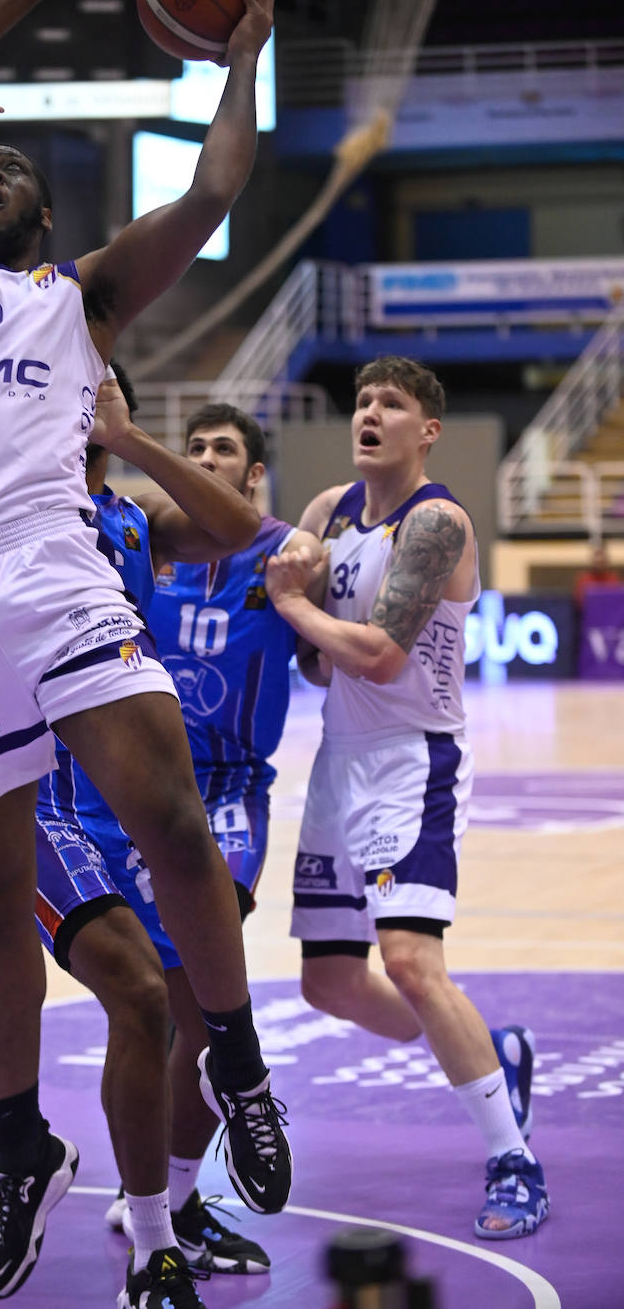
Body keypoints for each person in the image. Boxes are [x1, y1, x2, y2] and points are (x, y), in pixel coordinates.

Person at [0, 0, 288, 1303]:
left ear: (45, 225)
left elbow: (215, 185)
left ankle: (226, 1048)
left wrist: (241, 55)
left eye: (9, 176)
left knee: (165, 813)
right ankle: (17, 1146)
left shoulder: (82, 298)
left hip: (50, 559)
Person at [0, 393, 325, 1294]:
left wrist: (129, 436)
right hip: (50, 803)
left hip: (177, 798)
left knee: (161, 1006)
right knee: (131, 990)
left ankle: (154, 1234)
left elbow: (239, 525)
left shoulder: (137, 522)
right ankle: (3, 1113)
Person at [265, 354, 550, 1241]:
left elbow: (380, 655)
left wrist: (291, 602)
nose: (369, 413)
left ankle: (513, 1159)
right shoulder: (326, 513)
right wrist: (299, 608)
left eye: (390, 404)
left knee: (414, 965)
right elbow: (316, 660)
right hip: (339, 757)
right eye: (361, 401)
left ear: (426, 430)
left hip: (411, 760)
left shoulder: (437, 524)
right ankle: (491, 1054)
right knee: (329, 984)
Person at [573, 540, 620, 611]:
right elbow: (579, 602)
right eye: (596, 556)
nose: (599, 560)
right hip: (591, 616)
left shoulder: (613, 578)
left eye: (601, 556)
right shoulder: (584, 579)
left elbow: (617, 601)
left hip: (610, 617)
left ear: (606, 559)